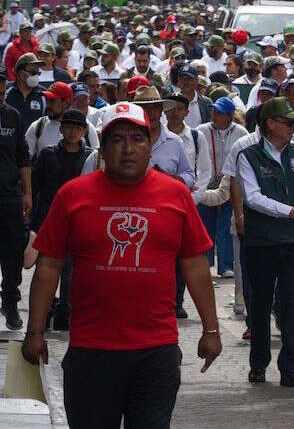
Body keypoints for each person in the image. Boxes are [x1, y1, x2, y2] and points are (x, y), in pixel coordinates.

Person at [22, 101, 221, 428]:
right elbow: (49, 268)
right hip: (90, 353)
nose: (127, 148)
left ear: (150, 145)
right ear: (103, 144)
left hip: (156, 353)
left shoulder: (176, 195)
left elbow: (196, 267)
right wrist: (35, 331)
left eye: (136, 139)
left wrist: (211, 330)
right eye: (117, 140)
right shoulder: (72, 195)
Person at [238, 97, 294, 387]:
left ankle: (290, 367)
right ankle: (258, 363)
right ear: (270, 124)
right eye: (288, 122)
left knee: (292, 304)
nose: (293, 127)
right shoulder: (249, 156)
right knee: (260, 304)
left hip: (293, 242)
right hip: (262, 243)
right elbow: (253, 199)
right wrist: (289, 211)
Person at [29, 109, 93, 331]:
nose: (73, 131)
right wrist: (30, 221)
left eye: (78, 127)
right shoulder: (47, 155)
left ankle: (66, 314)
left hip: (78, 222)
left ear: (84, 130)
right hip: (48, 221)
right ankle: (43, 315)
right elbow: (34, 187)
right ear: (62, 129)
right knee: (45, 271)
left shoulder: (91, 157)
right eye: (69, 126)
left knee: (71, 272)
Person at [197, 97, 248, 280]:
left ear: (229, 116)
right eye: (213, 111)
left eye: (219, 112)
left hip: (231, 183)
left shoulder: (241, 132)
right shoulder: (201, 131)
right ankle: (205, 263)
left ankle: (226, 265)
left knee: (227, 224)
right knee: (204, 224)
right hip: (206, 183)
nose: (214, 115)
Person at [0, 95, 30, 330]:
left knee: (13, 252)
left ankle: (10, 303)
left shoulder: (13, 116)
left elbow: (22, 156)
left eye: (2, 93)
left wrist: (27, 192)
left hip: (10, 195)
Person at [25, 82, 99, 158]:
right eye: (47, 100)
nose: (48, 105)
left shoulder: (86, 127)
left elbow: (96, 159)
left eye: (52, 101)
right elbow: (25, 159)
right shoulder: (38, 126)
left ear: (66, 102)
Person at [5, 53, 47, 137]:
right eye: (33, 72)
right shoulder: (6, 91)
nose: (36, 76)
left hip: (31, 146)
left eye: (38, 72)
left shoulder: (43, 95)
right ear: (21, 74)